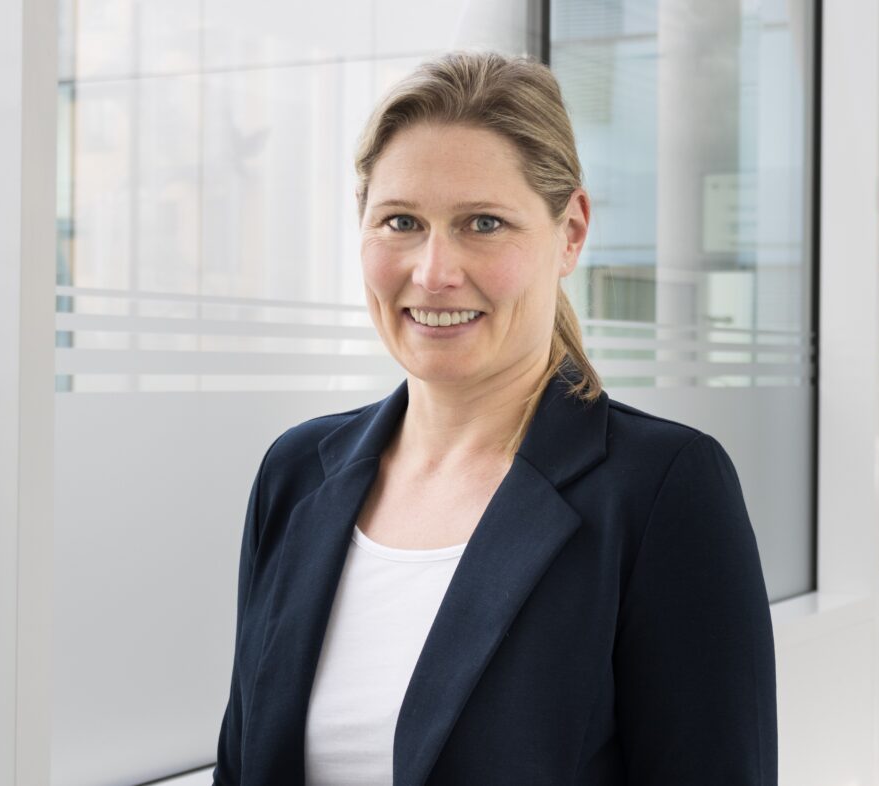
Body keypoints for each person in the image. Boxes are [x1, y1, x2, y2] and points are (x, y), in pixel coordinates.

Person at [212, 51, 777, 786]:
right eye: (401, 221)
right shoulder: (295, 474)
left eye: (483, 223)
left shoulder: (662, 491)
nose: (433, 272)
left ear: (570, 232)